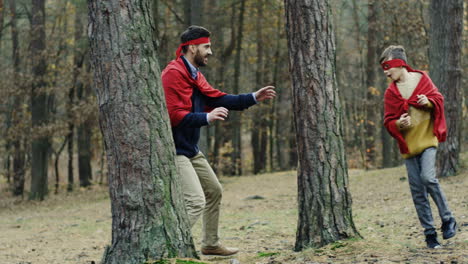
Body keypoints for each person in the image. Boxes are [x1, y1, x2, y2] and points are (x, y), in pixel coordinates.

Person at [161, 25, 276, 256]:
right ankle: (166, 250)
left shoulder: (194, 75)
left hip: (190, 148)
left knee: (214, 190)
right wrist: (207, 117)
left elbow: (218, 98)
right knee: (195, 201)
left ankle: (210, 244)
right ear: (192, 47)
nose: (210, 52)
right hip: (175, 150)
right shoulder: (173, 74)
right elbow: (172, 115)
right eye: (206, 47)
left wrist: (254, 97)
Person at [380, 45, 457, 249]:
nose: (386, 72)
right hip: (408, 146)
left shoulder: (422, 79)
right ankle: (430, 233)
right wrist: (398, 124)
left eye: (387, 66)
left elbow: (438, 99)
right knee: (417, 191)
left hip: (427, 140)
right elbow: (388, 121)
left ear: (400, 63)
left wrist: (428, 102)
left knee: (428, 177)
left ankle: (448, 219)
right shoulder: (391, 93)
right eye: (382, 68)